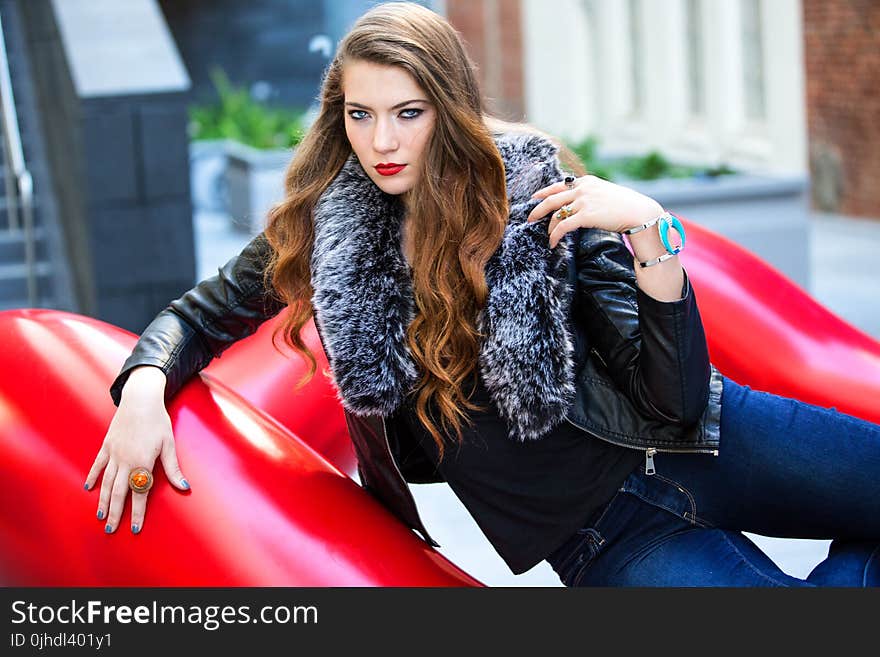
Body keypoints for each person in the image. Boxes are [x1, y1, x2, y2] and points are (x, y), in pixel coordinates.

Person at [85, 1, 880, 587]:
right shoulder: (326, 228)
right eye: (361, 114)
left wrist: (654, 240)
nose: (383, 142)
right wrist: (145, 382)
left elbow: (671, 399)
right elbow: (198, 313)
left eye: (408, 112)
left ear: (449, 108)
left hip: (712, 438)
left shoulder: (533, 191)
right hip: (605, 540)